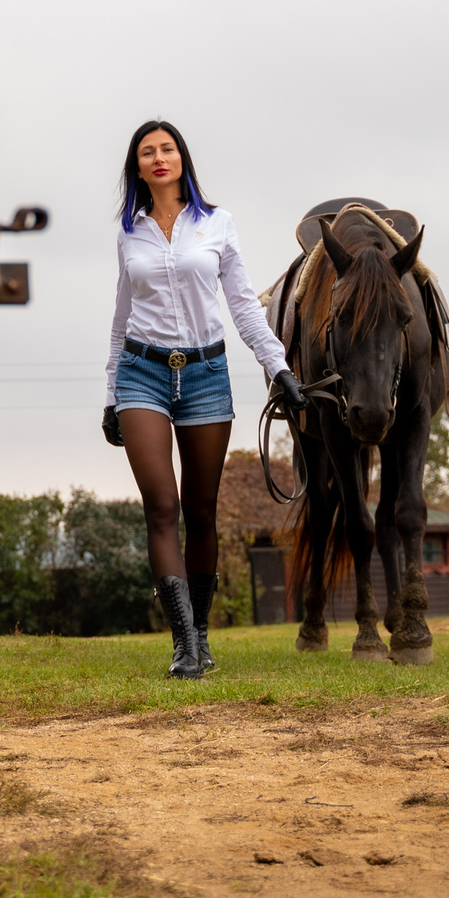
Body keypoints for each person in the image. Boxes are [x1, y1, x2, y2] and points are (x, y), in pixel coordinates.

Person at [102, 119, 308, 678]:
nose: (158, 158)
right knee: (162, 507)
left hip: (205, 376)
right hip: (141, 374)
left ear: (182, 159)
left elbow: (243, 306)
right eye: (148, 152)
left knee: (200, 511)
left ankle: (200, 630)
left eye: (167, 148)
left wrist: (278, 366)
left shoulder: (216, 224)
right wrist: (109, 393)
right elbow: (121, 321)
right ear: (137, 167)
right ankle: (183, 646)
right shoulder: (129, 232)